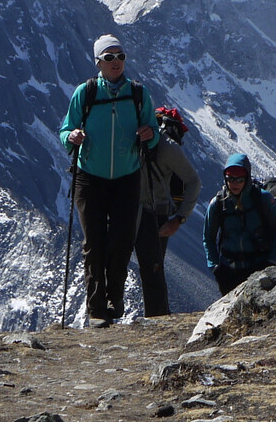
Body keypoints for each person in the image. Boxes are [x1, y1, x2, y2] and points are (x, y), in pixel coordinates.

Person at [59, 34, 159, 327]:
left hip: (127, 177)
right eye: (109, 57)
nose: (116, 62)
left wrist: (150, 136)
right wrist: (72, 137)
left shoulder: (139, 94)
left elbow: (153, 131)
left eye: (120, 56)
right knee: (94, 244)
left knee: (121, 241)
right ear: (98, 62)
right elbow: (66, 128)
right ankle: (97, 308)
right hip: (89, 177)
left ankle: (115, 298)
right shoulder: (86, 92)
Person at [136, 106, 202, 316]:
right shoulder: (168, 147)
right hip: (154, 213)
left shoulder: (165, 148)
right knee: (152, 270)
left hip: (144, 212)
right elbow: (193, 182)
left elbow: (193, 182)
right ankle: (157, 318)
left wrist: (179, 218)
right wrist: (179, 218)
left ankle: (155, 317)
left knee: (150, 271)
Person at [203, 153, 276, 296]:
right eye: (230, 178)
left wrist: (271, 261)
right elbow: (208, 237)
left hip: (258, 267)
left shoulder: (263, 199)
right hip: (228, 271)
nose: (234, 183)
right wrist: (215, 266)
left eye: (239, 179)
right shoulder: (218, 204)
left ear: (246, 178)